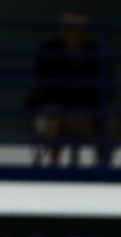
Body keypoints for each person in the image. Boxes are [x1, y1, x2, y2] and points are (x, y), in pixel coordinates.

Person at [29, 12, 111, 167]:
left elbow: (105, 91)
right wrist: (64, 107)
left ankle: (104, 168)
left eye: (80, 29)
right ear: (62, 31)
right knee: (54, 118)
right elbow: (45, 90)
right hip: (54, 110)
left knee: (111, 117)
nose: (74, 33)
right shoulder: (49, 51)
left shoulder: (96, 52)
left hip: (87, 111)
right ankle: (52, 169)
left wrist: (87, 108)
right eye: (69, 28)